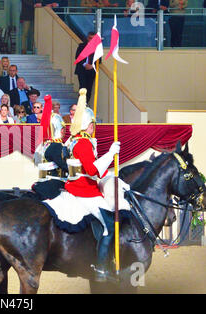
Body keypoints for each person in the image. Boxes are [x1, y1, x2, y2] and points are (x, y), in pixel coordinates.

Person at [61, 88, 120, 282]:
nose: (94, 127)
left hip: (75, 187)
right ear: (87, 124)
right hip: (85, 192)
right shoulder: (83, 143)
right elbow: (93, 170)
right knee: (110, 226)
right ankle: (101, 269)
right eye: (92, 124)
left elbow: (95, 170)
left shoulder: (72, 141)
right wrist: (110, 153)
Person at [75, 32, 97, 103]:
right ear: (88, 38)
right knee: (82, 87)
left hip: (91, 71)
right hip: (82, 70)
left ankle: (86, 103)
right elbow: (77, 57)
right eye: (90, 38)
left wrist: (92, 65)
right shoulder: (81, 46)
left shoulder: (97, 48)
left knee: (89, 88)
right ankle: (80, 103)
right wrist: (85, 64)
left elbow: (99, 60)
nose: (91, 40)